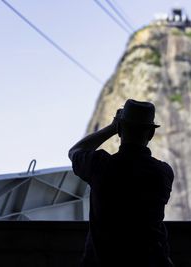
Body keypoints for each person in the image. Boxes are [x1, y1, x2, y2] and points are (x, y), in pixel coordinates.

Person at [68, 99, 174, 267]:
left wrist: (112, 127)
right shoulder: (163, 173)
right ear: (151, 134)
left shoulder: (100, 166)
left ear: (120, 130)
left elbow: (75, 151)